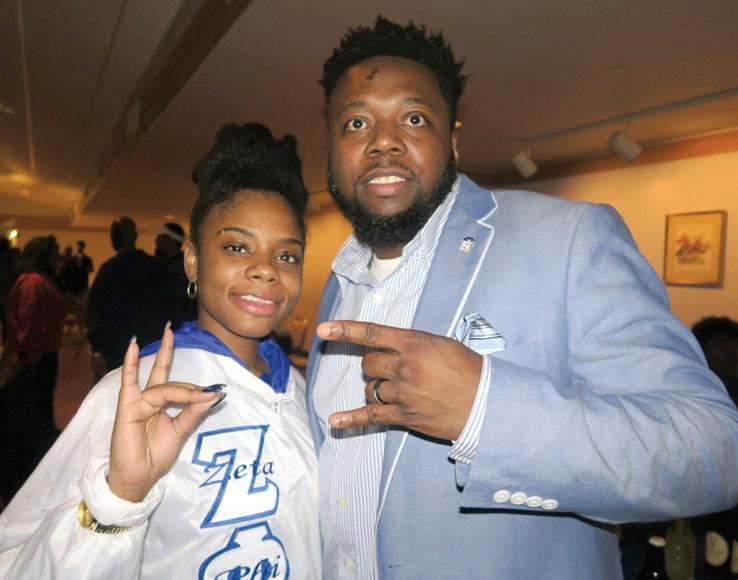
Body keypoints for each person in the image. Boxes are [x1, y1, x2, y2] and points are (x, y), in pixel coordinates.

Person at [305, 16, 738, 579]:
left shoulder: (568, 238)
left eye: (413, 118)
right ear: (333, 147)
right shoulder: (336, 283)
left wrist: (485, 412)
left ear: (452, 138)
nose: (383, 141)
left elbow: (713, 452)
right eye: (357, 122)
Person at [0, 123, 320, 578]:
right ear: (192, 260)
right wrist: (118, 501)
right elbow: (16, 557)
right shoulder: (135, 396)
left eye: (286, 255)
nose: (266, 269)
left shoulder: (304, 393)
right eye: (237, 247)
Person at [86, 216, 175, 377]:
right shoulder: (155, 267)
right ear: (134, 236)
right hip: (150, 344)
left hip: (117, 346)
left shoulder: (109, 270)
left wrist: (97, 348)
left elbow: (96, 311)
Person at [155, 221, 197, 328]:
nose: (157, 239)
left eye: (162, 236)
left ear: (170, 240)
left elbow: (179, 302)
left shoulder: (180, 268)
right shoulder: (166, 265)